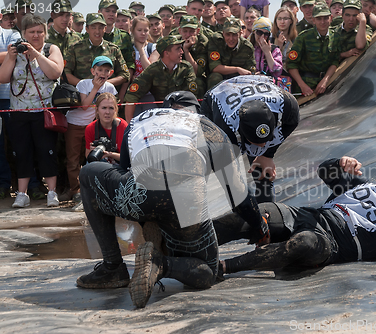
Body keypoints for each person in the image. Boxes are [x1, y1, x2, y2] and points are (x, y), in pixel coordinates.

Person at [76, 91, 269, 309]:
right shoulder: (209, 128)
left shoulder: (140, 120)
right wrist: (259, 225)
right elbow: (239, 198)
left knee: (89, 172)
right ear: (196, 111)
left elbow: (124, 171)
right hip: (185, 203)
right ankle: (162, 264)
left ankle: (113, 267)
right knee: (207, 270)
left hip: (140, 195)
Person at [216, 156, 376, 276]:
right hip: (310, 217)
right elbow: (324, 171)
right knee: (261, 212)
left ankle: (222, 267)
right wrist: (339, 163)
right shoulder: (359, 183)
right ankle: (194, 241)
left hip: (331, 243)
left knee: (304, 242)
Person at [201, 75, 300, 203]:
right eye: (255, 141)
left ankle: (267, 211)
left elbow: (293, 122)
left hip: (252, 85)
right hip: (218, 96)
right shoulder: (225, 129)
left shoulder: (287, 105)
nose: (262, 145)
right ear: (240, 132)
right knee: (228, 176)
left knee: (263, 171)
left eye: (266, 139)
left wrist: (268, 154)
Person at [0, 14, 64, 208]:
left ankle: (51, 192)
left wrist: (37, 55)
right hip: (19, 111)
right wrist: (11, 58)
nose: (36, 36)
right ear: (24, 34)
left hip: (44, 112)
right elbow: (3, 78)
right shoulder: (16, 51)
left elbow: (55, 72)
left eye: (39, 32)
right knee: (22, 152)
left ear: (45, 32)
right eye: (31, 32)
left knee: (47, 151)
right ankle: (22, 194)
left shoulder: (50, 49)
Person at [64, 56, 119, 202]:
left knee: (92, 156)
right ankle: (75, 190)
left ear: (110, 73)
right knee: (73, 159)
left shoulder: (110, 88)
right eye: (99, 69)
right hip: (75, 124)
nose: (102, 73)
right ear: (92, 71)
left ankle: (92, 188)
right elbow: (84, 105)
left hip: (94, 127)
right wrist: (95, 88)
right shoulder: (84, 84)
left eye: (106, 70)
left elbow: (112, 109)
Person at [124, 35, 197, 122]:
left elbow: (191, 95)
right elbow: (132, 96)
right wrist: (129, 125)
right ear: (166, 53)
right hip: (160, 114)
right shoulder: (153, 70)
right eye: (178, 49)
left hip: (183, 113)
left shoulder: (186, 68)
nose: (181, 51)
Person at [64, 13, 130, 90]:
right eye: (93, 28)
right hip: (82, 95)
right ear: (87, 29)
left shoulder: (113, 49)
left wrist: (105, 84)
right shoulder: (75, 48)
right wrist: (85, 85)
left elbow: (125, 74)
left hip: (107, 96)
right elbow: (65, 73)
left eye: (100, 28)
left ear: (105, 29)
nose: (97, 31)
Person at [287, 3, 339, 97]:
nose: (322, 22)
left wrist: (325, 80)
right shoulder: (303, 37)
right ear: (313, 20)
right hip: (306, 87)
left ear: (331, 18)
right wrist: (302, 85)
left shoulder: (335, 36)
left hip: (327, 85)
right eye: (319, 18)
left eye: (325, 18)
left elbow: (335, 61)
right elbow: (291, 64)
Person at [0, 10, 21, 200]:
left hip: (8, 96)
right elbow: (6, 56)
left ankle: (21, 185)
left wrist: (7, 56)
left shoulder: (10, 33)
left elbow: (15, 52)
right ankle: (3, 184)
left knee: (15, 141)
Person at [206, 17, 256, 89]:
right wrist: (237, 69)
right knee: (215, 77)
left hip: (238, 79)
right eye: (228, 34)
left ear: (240, 33)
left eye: (234, 34)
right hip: (220, 77)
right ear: (223, 33)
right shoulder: (216, 40)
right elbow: (215, 67)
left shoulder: (247, 47)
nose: (231, 38)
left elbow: (250, 72)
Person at [84, 93, 127, 165]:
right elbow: (88, 157)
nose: (107, 112)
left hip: (120, 165)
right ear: (97, 110)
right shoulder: (90, 128)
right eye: (104, 108)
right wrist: (93, 151)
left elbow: (128, 158)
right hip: (100, 164)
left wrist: (109, 154)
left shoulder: (123, 126)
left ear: (115, 110)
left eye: (111, 108)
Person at [178, 15, 209, 99]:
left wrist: (186, 50)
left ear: (197, 31)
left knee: (196, 81)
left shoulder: (202, 43)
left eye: (192, 31)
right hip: (178, 74)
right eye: (185, 31)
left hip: (196, 77)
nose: (188, 35)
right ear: (179, 31)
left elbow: (196, 72)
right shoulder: (175, 42)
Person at [271, 7, 297, 72]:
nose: (282, 22)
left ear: (291, 21)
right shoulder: (270, 38)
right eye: (279, 19)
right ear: (275, 21)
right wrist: (278, 47)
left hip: (291, 75)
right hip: (274, 75)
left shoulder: (296, 40)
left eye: (285, 19)